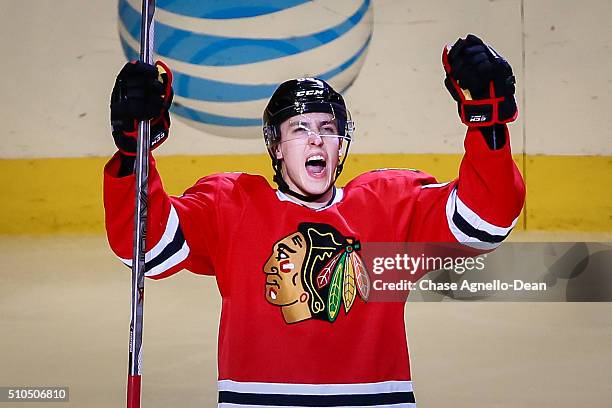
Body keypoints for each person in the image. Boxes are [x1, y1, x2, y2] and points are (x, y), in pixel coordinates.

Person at [105, 34, 525, 407]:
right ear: (277, 146)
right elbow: (146, 247)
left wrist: (487, 123)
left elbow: (484, 221)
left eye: (327, 127)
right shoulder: (231, 205)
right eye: (299, 128)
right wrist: (132, 151)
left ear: (342, 142)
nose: (316, 138)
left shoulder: (391, 206)